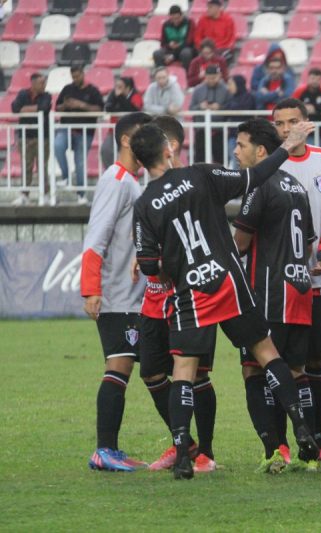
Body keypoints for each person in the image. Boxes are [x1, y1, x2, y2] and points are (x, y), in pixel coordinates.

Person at [130, 119, 318, 480]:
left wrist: (176, 268)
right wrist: (286, 146)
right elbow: (253, 178)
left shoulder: (145, 204)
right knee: (266, 353)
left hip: (192, 293)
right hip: (229, 282)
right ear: (169, 149)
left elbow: (149, 264)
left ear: (140, 162)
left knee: (183, 371)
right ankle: (301, 427)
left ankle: (184, 453)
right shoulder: (202, 174)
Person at [231, 118, 318, 473]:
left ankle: (274, 448)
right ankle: (309, 446)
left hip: (268, 292)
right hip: (300, 292)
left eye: (241, 145)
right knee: (296, 371)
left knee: (254, 370)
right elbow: (308, 242)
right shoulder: (296, 185)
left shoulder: (259, 184)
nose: (236, 153)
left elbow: (241, 242)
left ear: (262, 151)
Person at [136, 115, 218, 474]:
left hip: (192, 296)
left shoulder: (195, 182)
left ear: (174, 146)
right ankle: (182, 442)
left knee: (196, 375)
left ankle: (205, 452)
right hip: (155, 298)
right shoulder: (150, 194)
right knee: (152, 373)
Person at [271, 98, 321, 463]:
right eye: (281, 124)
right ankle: (280, 443)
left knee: (317, 364)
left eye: (293, 121)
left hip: (316, 282)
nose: (287, 129)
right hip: (278, 287)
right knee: (278, 364)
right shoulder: (269, 164)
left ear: (308, 123)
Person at [81, 112, 152, 472]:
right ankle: (104, 450)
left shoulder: (133, 182)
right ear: (126, 140)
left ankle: (112, 449)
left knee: (141, 367)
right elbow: (96, 237)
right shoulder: (116, 179)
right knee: (120, 364)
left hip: (135, 293)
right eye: (143, 135)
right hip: (117, 293)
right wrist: (91, 289)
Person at [54, 65, 104, 204]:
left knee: (80, 163)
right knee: (57, 145)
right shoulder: (67, 89)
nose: (75, 79)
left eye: (77, 76)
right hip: (66, 128)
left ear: (83, 74)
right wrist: (64, 106)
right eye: (73, 77)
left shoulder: (93, 90)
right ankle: (66, 178)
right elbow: (57, 107)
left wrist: (81, 105)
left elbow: (99, 109)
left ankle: (81, 195)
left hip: (85, 131)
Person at [10, 72, 51, 205]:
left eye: (44, 82)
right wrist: (32, 109)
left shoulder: (47, 95)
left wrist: (25, 109)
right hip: (25, 136)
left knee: (42, 167)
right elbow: (15, 108)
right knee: (26, 166)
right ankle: (24, 195)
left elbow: (44, 108)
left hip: (42, 137)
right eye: (41, 83)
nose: (44, 85)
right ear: (33, 84)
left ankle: (45, 194)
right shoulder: (22, 94)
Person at [190, 64, 230, 164]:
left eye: (214, 78)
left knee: (220, 160)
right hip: (201, 129)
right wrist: (200, 107)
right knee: (199, 160)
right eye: (209, 78)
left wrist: (220, 108)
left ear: (219, 76)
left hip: (219, 130)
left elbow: (230, 108)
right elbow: (191, 108)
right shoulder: (198, 90)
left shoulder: (226, 90)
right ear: (205, 77)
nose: (211, 80)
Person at [101, 77, 143, 168]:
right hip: (114, 131)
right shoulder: (113, 94)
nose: (117, 89)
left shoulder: (136, 96)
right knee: (105, 150)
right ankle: (111, 171)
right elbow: (108, 108)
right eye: (116, 86)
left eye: (120, 87)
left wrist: (120, 98)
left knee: (128, 155)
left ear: (127, 88)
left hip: (130, 132)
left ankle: (129, 174)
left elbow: (133, 110)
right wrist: (118, 99)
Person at [223, 74, 256, 168]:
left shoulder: (249, 97)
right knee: (234, 161)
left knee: (241, 161)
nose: (228, 87)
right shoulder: (231, 98)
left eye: (230, 84)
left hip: (246, 136)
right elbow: (225, 111)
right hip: (233, 135)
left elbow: (244, 108)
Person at [153, 5, 196, 71]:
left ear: (182, 15)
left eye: (178, 18)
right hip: (171, 49)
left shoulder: (189, 22)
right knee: (157, 53)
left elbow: (190, 42)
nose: (176, 21)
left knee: (186, 53)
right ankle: (161, 74)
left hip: (185, 48)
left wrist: (172, 56)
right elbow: (163, 43)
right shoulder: (166, 25)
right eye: (173, 19)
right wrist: (169, 45)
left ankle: (186, 76)